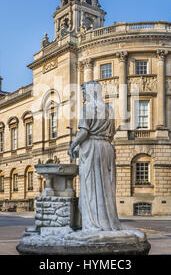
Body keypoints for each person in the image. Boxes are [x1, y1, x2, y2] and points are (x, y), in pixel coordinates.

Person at [68, 81, 123, 231]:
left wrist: (73, 145)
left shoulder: (88, 108)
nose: (84, 95)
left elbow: (84, 132)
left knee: (91, 187)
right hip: (107, 148)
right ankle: (109, 221)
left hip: (92, 148)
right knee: (106, 187)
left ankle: (93, 223)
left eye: (85, 91)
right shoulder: (109, 109)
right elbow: (112, 132)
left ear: (91, 92)